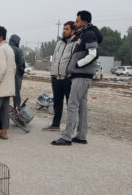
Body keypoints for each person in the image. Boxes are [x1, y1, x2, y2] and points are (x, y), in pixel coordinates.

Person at [52, 10, 103, 146]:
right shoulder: (84, 34)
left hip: (82, 75)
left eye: (77, 21)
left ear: (84, 22)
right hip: (82, 75)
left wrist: (77, 65)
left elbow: (93, 54)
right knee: (82, 105)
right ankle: (81, 136)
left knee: (72, 104)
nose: (76, 23)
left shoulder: (89, 34)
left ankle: (66, 137)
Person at [43, 21, 76, 131]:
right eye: (63, 29)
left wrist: (72, 76)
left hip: (68, 79)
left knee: (70, 104)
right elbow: (55, 60)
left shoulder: (76, 44)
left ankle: (70, 128)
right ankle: (55, 125)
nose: (64, 31)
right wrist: (52, 74)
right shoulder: (59, 43)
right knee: (57, 103)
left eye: (66, 29)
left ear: (73, 31)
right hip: (56, 78)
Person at [9, 34, 25, 108]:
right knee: (16, 92)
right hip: (16, 73)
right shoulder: (18, 50)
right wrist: (21, 72)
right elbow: (21, 63)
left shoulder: (6, 48)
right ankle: (17, 107)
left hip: (7, 73)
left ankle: (5, 109)